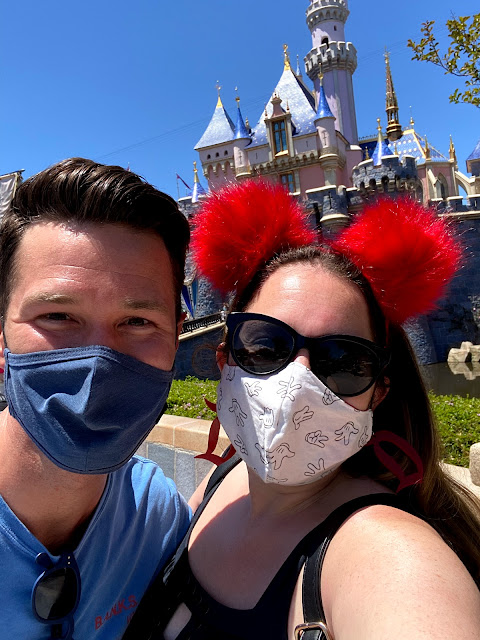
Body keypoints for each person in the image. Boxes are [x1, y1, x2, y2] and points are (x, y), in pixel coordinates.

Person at [124, 180, 480, 640]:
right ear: (224, 358)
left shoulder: (391, 557)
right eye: (266, 345)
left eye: (344, 361)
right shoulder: (221, 481)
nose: (298, 383)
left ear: (378, 393)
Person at [0, 158, 192, 639]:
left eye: (137, 322)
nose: (99, 363)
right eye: (58, 316)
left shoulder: (157, 516)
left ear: (177, 338)